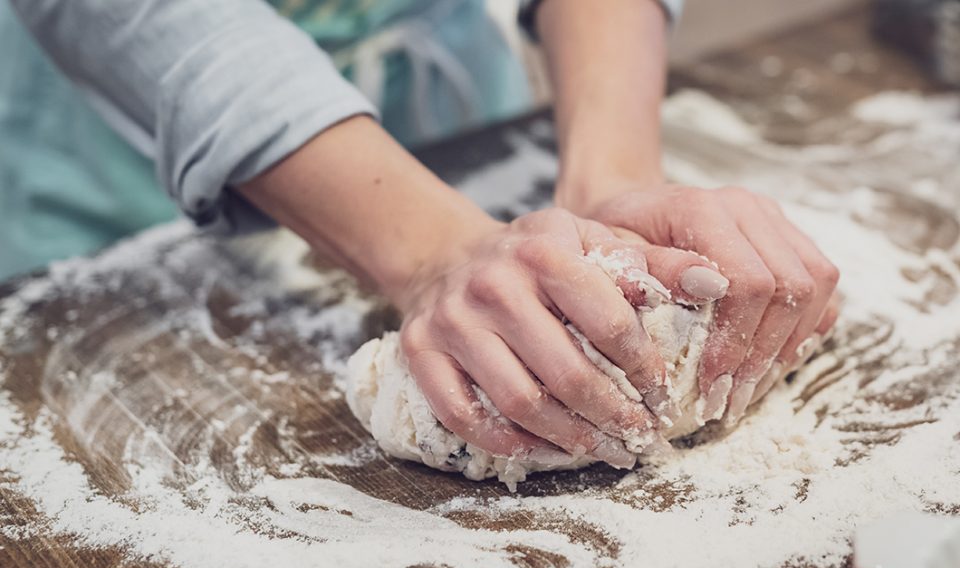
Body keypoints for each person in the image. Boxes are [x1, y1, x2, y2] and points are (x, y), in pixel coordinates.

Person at [4, 0, 839, 468]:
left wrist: (612, 181)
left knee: (526, 301)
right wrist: (435, 248)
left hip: (446, 91)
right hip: (127, 152)